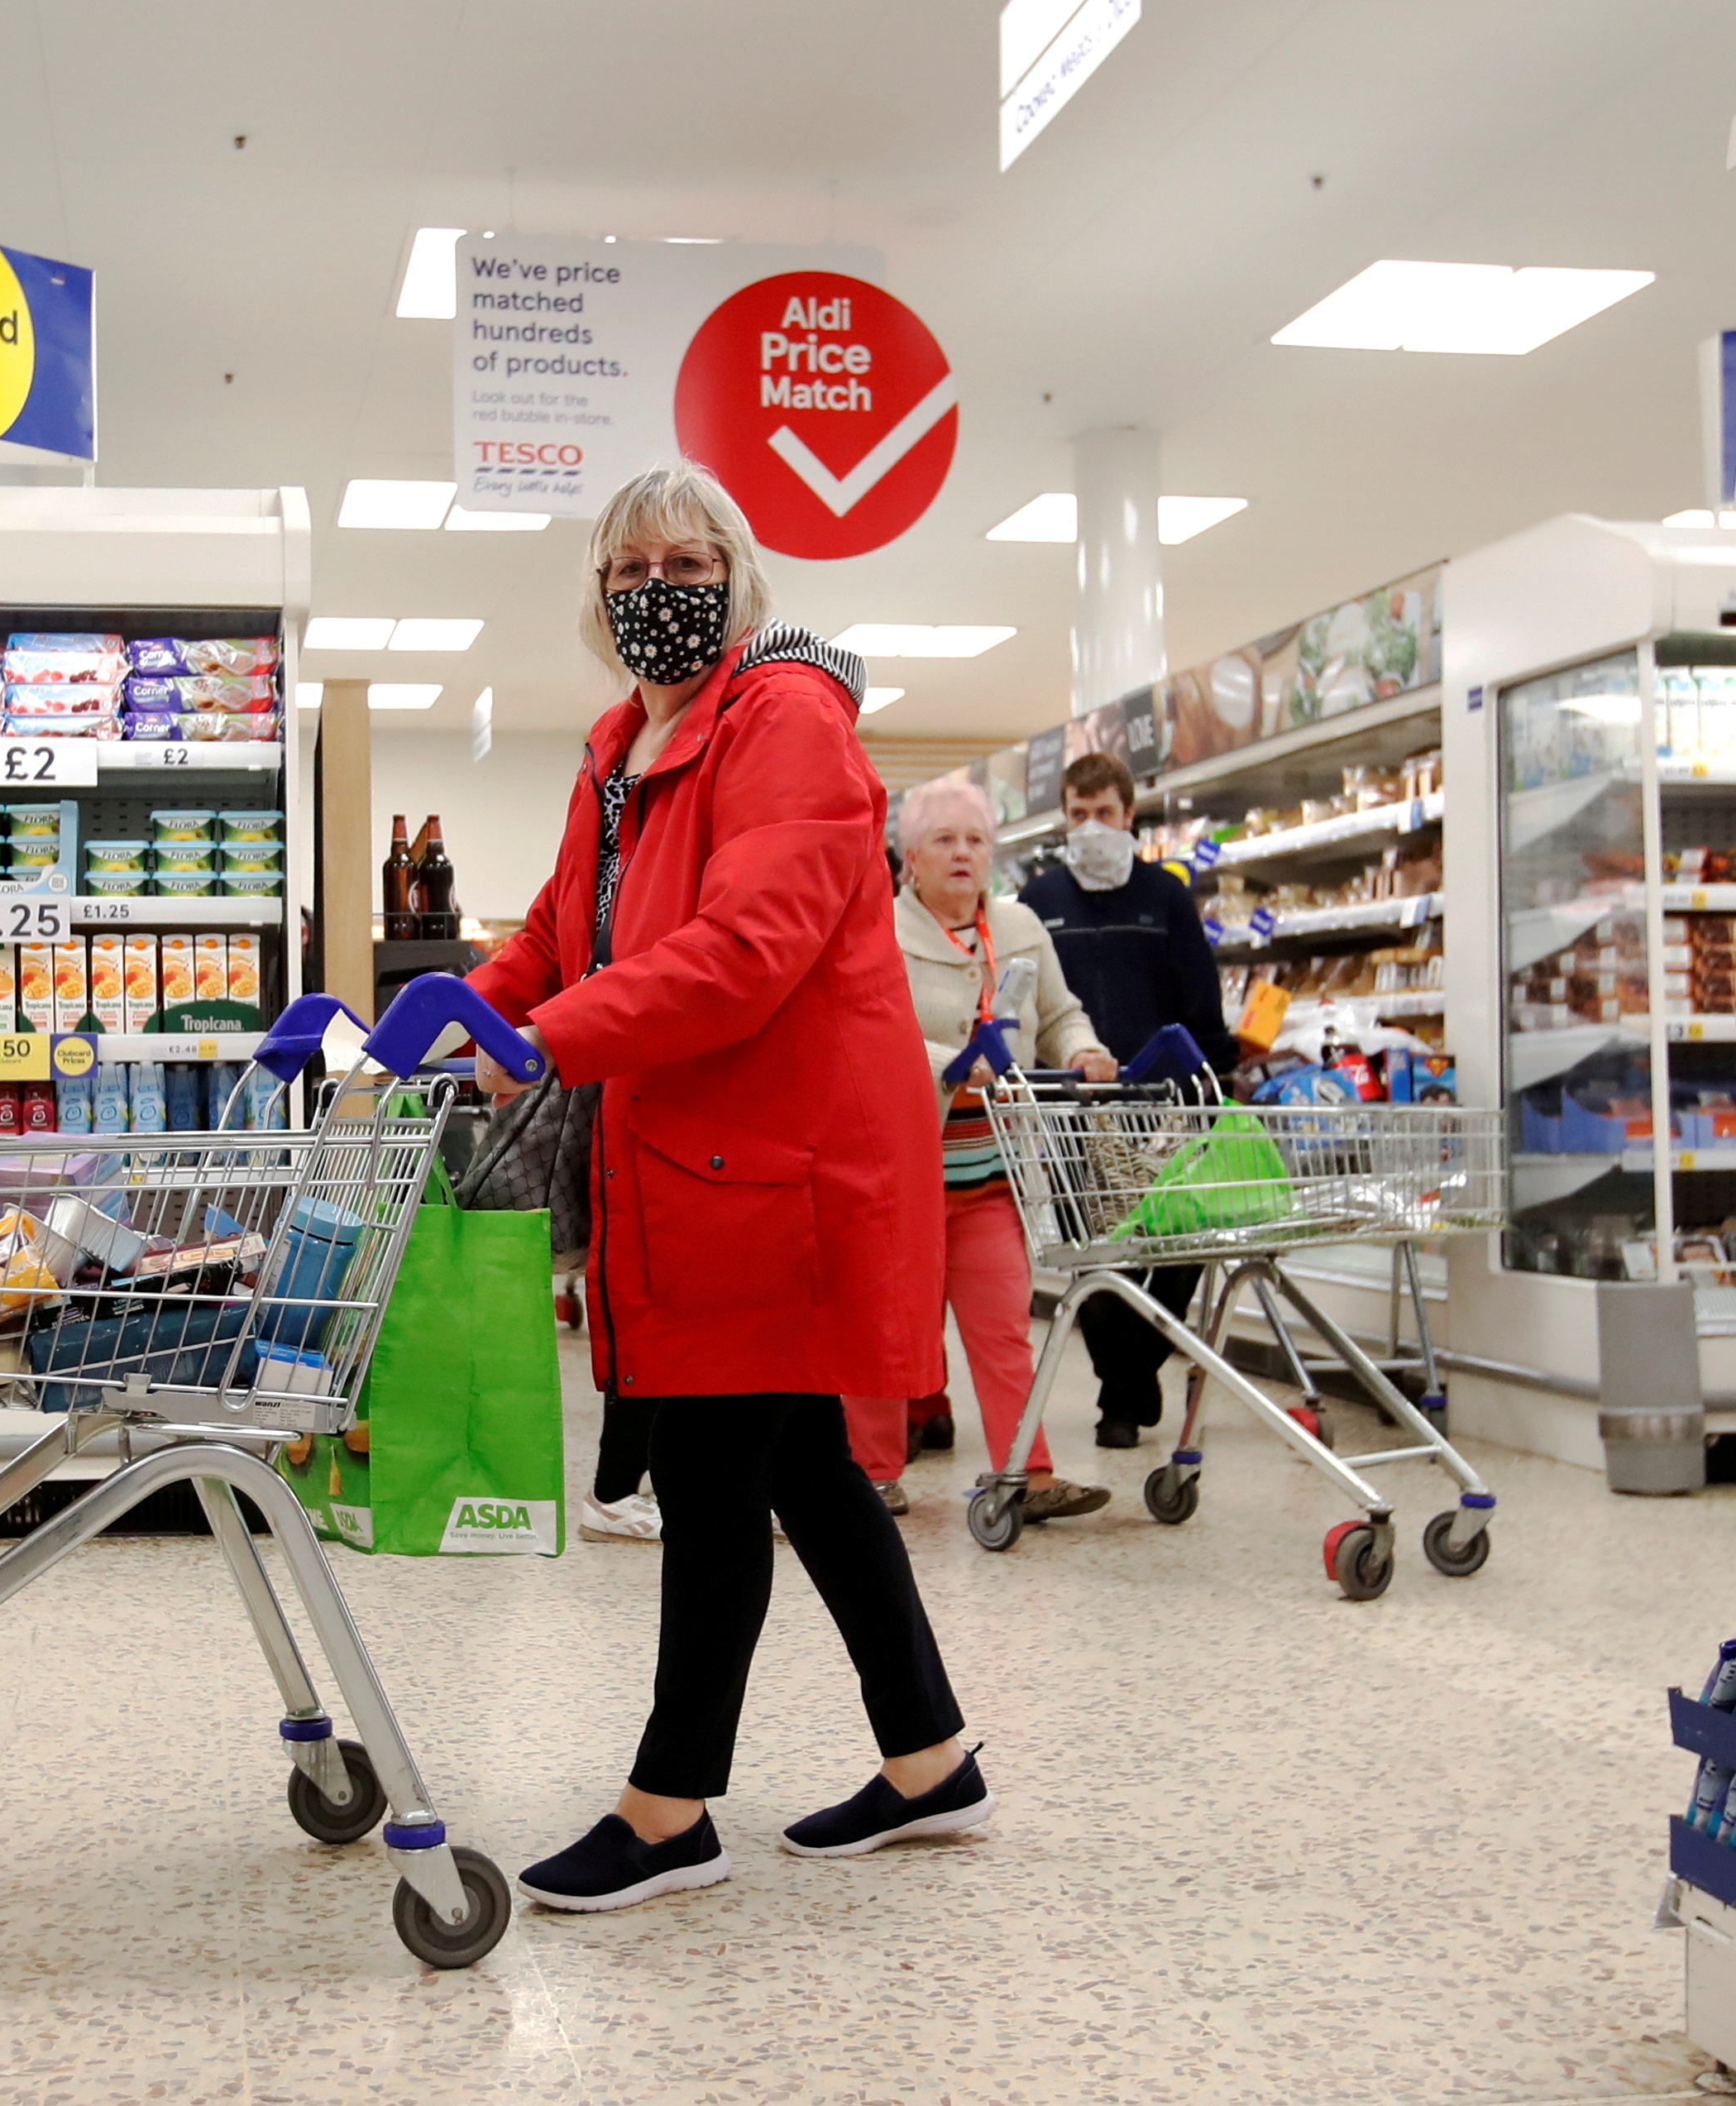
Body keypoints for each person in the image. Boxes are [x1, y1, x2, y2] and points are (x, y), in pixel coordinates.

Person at [466, 464, 983, 1915]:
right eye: (627, 570)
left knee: (710, 1476)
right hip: (695, 1156)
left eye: (684, 559)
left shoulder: (790, 723)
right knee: (805, 1469)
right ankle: (931, 1753)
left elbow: (753, 947)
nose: (655, 588)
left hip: (777, 1163)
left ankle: (669, 1802)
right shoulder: (618, 748)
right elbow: (564, 938)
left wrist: (546, 1038)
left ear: (739, 575)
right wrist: (455, 1007)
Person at [858, 773, 1112, 1524]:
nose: (963, 854)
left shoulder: (1021, 926)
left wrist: (1087, 1048)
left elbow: (1060, 1014)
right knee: (887, 1332)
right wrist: (947, 1058)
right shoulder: (880, 931)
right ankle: (870, 1477)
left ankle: (1025, 1475)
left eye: (975, 840)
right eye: (945, 840)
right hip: (901, 1175)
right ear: (910, 855)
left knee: (1004, 1330)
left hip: (993, 1174)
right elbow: (871, 1031)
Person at [1018, 749, 1236, 1448]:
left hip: (1163, 1108)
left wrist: (1210, 1089)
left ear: (1129, 815)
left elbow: (1202, 1004)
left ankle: (1133, 1372)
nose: (1091, 827)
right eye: (1077, 815)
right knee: (1092, 1255)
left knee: (1180, 1246)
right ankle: (1123, 1395)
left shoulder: (1167, 898)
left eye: (1103, 814)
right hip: (1072, 1111)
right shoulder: (1038, 903)